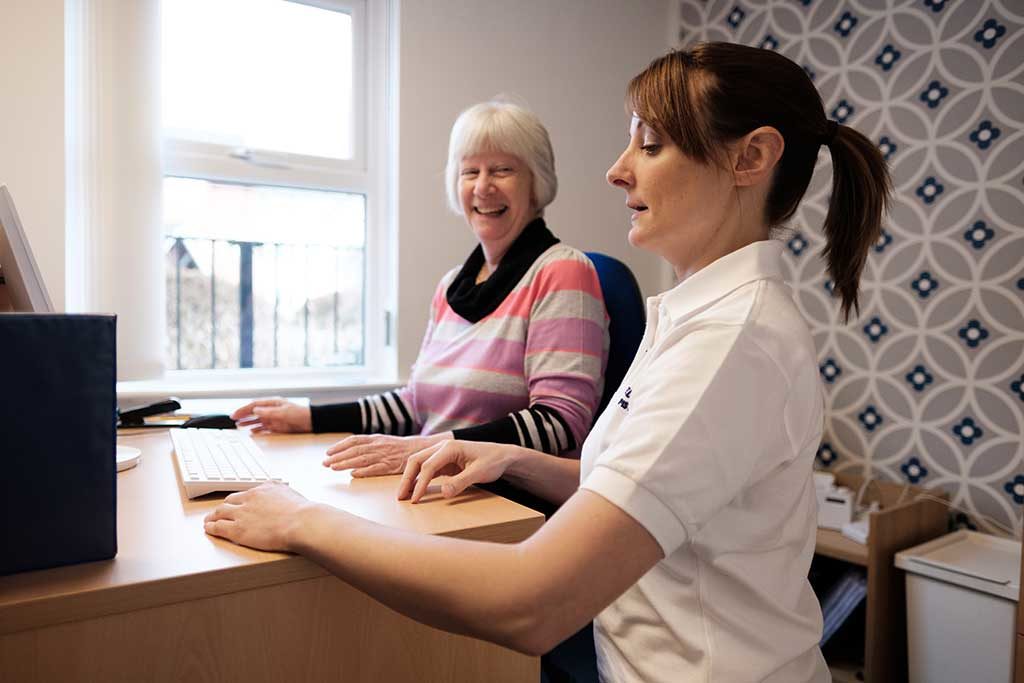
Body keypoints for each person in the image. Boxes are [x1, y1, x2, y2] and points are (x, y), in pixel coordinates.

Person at [205, 42, 891, 682]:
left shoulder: (730, 342)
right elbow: (639, 488)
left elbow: (530, 602)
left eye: (650, 144)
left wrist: (301, 519)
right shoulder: (690, 317)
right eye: (469, 170)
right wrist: (512, 459)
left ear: (751, 158)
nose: (619, 169)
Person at [231, 101, 608, 478]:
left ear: (536, 182)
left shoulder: (563, 272)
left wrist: (423, 448)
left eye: (503, 170)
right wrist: (307, 417)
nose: (482, 186)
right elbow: (414, 406)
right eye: (469, 171)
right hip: (432, 482)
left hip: (510, 501)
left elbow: (559, 423)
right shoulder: (451, 286)